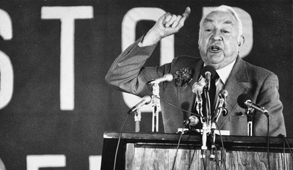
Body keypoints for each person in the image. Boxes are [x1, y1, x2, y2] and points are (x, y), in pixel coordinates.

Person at [105, 5, 286, 136]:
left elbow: (273, 150)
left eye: (225, 31)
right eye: (208, 30)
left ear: (240, 41)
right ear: (199, 41)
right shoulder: (177, 70)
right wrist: (155, 34)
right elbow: (119, 78)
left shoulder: (262, 81)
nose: (216, 36)